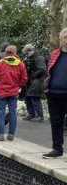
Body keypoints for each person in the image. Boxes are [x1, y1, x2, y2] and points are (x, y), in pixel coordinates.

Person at [0, 45, 28, 141]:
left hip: (1, 92)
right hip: (13, 92)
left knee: (1, 112)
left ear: (5, 52)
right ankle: (11, 134)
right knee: (13, 113)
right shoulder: (20, 64)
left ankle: (0, 135)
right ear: (15, 53)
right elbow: (24, 79)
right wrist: (17, 86)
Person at [43, 28, 67, 158]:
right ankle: (57, 148)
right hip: (54, 93)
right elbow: (48, 73)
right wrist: (47, 89)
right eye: (66, 37)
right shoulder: (54, 54)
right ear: (61, 39)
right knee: (56, 122)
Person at [22, 44, 46, 122]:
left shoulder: (39, 58)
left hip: (38, 81)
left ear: (30, 51)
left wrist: (33, 75)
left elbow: (42, 69)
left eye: (26, 53)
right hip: (31, 81)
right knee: (28, 98)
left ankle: (40, 116)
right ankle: (32, 114)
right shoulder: (30, 58)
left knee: (35, 97)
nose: (26, 55)